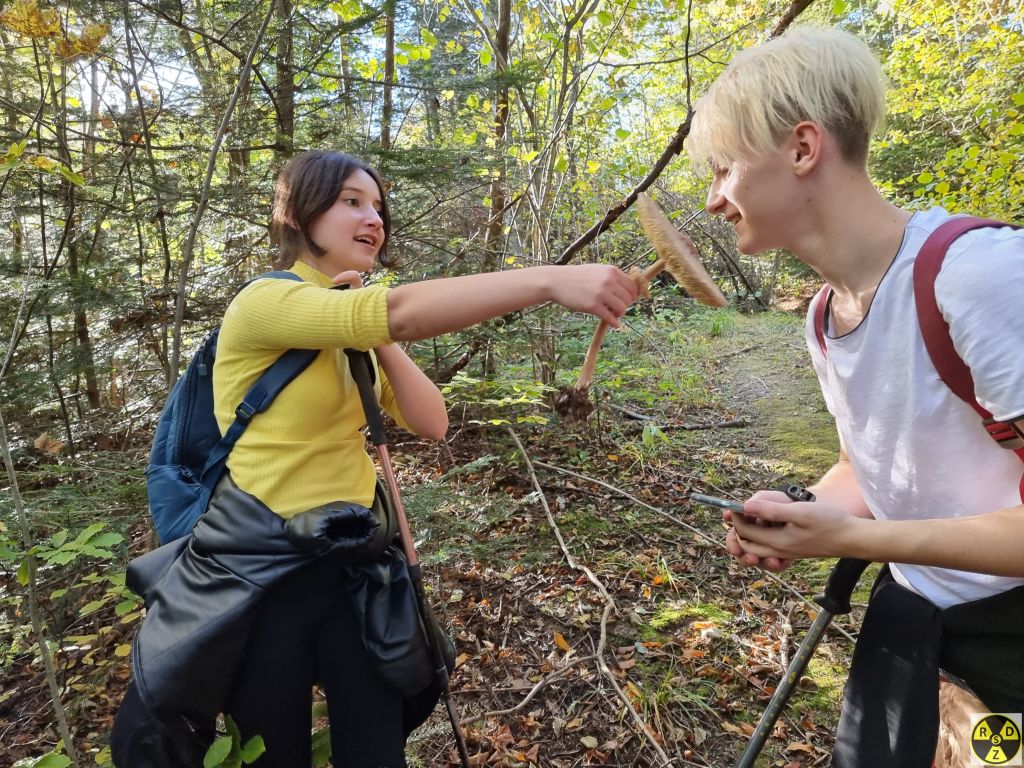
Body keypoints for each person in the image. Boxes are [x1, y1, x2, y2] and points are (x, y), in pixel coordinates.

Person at [111, 150, 639, 767]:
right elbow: (401, 312)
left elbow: (431, 421)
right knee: (273, 752)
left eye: (379, 207)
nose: (374, 219)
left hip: (355, 565)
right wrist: (547, 279)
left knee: (377, 749)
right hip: (263, 575)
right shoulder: (265, 302)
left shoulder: (352, 316)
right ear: (300, 214)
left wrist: (374, 336)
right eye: (352, 203)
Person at [685, 26, 1024, 768]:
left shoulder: (978, 279)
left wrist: (850, 541)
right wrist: (805, 509)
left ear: (803, 148)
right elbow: (867, 468)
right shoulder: (824, 314)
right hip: (908, 622)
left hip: (1010, 646)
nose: (714, 200)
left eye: (723, 168)